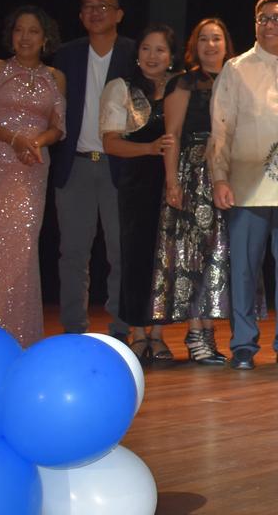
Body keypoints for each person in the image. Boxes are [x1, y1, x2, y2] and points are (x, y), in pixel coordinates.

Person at [211, 0, 278, 370]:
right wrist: (219, 177)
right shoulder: (235, 68)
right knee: (243, 268)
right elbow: (221, 129)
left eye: (277, 18)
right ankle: (243, 344)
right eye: (262, 18)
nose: (269, 24)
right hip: (245, 182)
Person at [0, 6, 66, 346]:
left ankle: (19, 336)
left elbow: (58, 127)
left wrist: (35, 141)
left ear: (45, 37)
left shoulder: (55, 77)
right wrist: (13, 139)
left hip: (31, 166)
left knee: (23, 249)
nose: (25, 37)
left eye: (33, 31)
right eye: (19, 30)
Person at [50, 0, 136, 340]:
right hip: (77, 165)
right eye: (88, 6)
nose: (95, 12)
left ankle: (121, 330)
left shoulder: (134, 52)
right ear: (80, 15)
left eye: (104, 6)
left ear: (118, 14)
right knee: (72, 253)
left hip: (121, 167)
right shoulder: (66, 54)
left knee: (121, 253)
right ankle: (73, 330)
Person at [150, 18, 236, 364]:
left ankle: (208, 336)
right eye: (204, 39)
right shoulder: (184, 83)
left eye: (217, 38)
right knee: (194, 256)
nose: (210, 44)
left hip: (229, 174)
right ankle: (196, 336)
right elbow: (171, 136)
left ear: (226, 44)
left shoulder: (237, 78)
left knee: (220, 255)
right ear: (194, 46)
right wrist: (172, 181)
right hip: (193, 175)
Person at [100, 25, 178, 361]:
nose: (152, 56)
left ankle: (158, 335)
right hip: (136, 184)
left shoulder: (180, 87)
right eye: (146, 49)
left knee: (167, 259)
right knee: (136, 258)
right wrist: (147, 148)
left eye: (160, 50)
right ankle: (136, 332)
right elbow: (110, 142)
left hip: (173, 182)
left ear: (171, 56)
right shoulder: (121, 88)